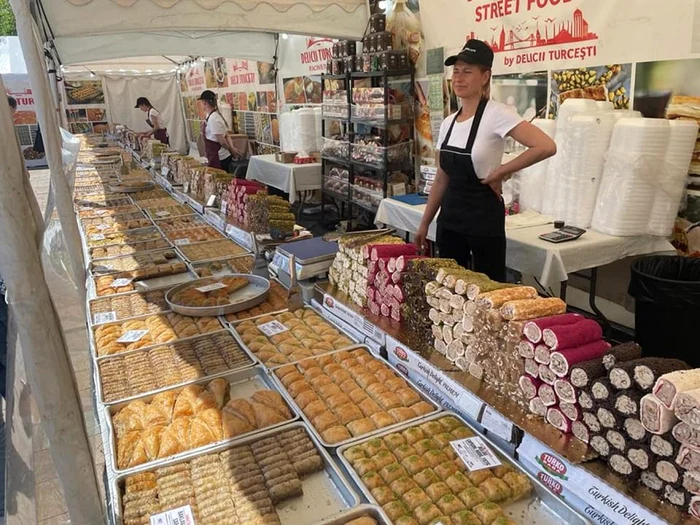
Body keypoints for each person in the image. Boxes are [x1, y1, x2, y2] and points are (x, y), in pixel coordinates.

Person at [415, 40, 556, 282]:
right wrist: (424, 223)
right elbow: (441, 178)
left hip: (483, 218)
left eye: (467, 71)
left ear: (485, 76)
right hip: (450, 218)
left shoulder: (497, 113)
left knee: (489, 288)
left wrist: (502, 171)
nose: (459, 78)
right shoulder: (449, 123)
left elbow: (545, 146)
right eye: (456, 71)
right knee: (448, 286)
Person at [198, 90, 240, 171]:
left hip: (219, 157)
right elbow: (226, 135)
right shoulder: (211, 115)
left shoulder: (214, 118)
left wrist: (232, 150)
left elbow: (222, 141)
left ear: (204, 103)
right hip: (215, 155)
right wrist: (232, 148)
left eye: (201, 102)